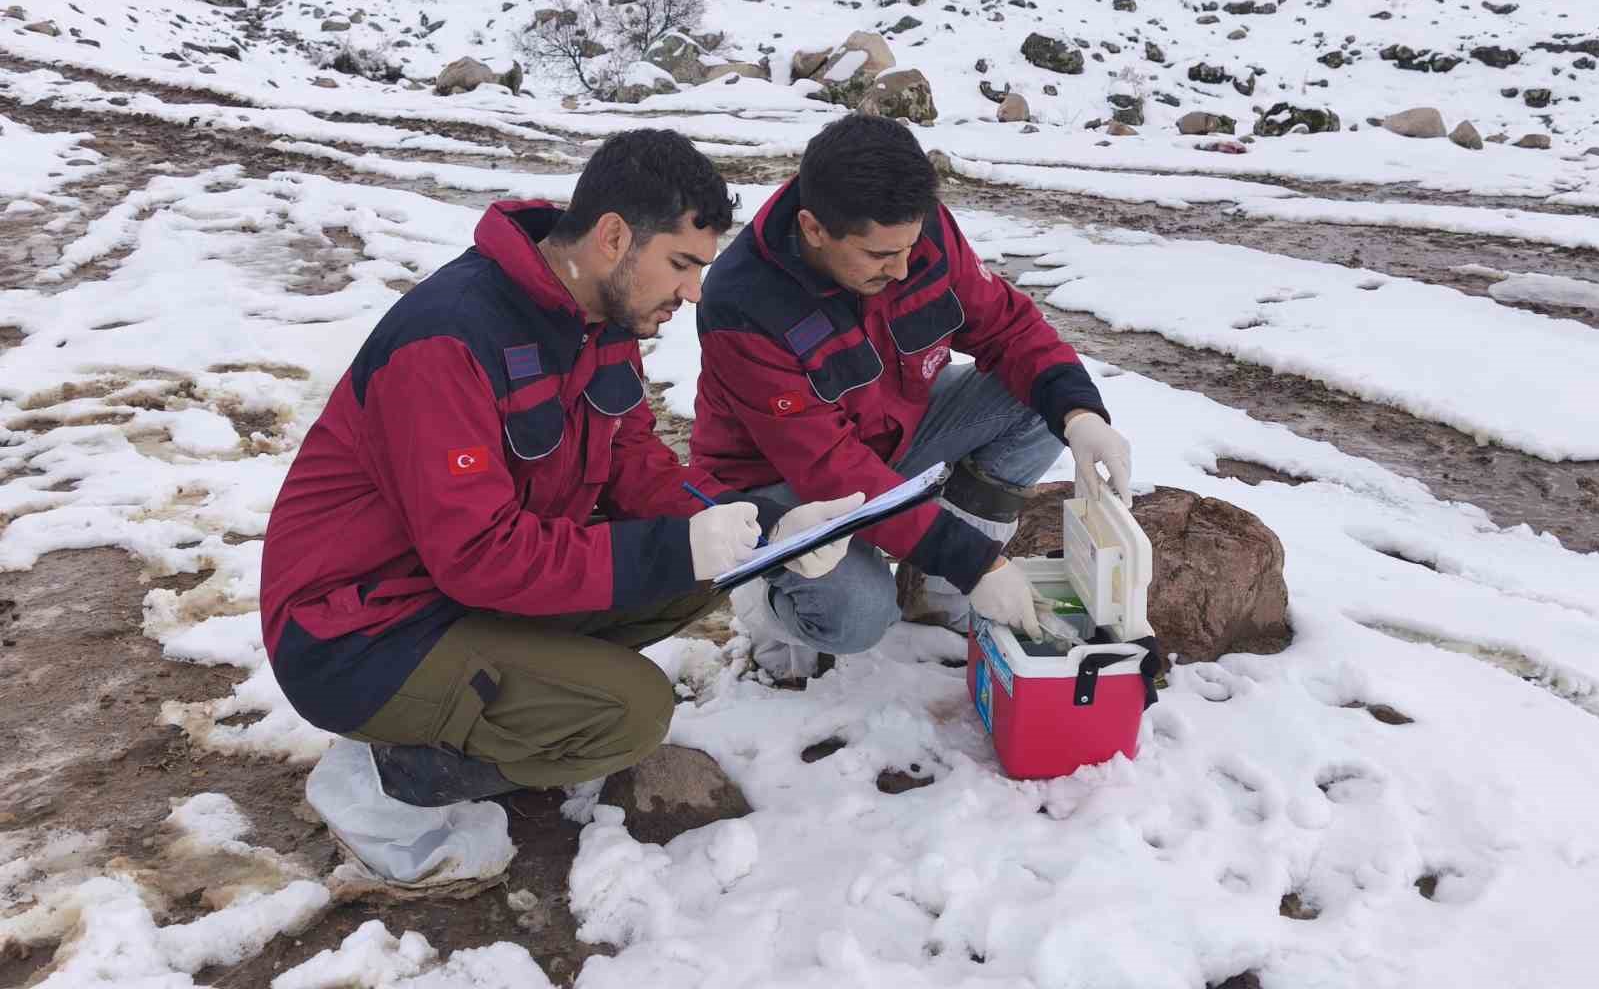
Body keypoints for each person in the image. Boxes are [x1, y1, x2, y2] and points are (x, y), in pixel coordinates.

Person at [260, 129, 858, 887]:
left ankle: (498, 699)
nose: (695, 292)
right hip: (358, 633)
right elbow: (478, 553)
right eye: (681, 264)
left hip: (451, 592)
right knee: (632, 714)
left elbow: (635, 461)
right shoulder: (450, 338)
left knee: (699, 566)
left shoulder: (600, 320)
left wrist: (760, 532)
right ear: (614, 237)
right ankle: (388, 779)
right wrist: (680, 547)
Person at [690, 114, 1134, 680]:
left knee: (1038, 402)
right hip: (783, 490)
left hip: (892, 433)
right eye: (879, 257)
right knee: (857, 614)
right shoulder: (742, 304)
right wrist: (978, 561)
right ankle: (768, 597)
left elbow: (1007, 329)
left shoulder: (912, 234)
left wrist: (1080, 413)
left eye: (910, 245)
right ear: (814, 227)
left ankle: (934, 590)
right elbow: (829, 467)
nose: (903, 268)